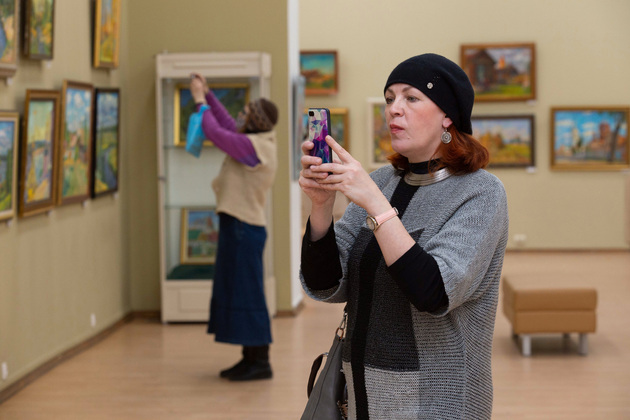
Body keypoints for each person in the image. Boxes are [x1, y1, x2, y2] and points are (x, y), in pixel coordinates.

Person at [299, 54, 509, 419]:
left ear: (448, 117)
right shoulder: (381, 182)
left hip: (435, 400)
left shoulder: (481, 192)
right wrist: (321, 206)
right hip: (361, 396)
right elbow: (327, 284)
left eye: (411, 98)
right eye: (389, 98)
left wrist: (377, 207)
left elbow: (434, 292)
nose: (394, 109)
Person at [189, 73, 278, 381]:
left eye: (245, 113)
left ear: (255, 121)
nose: (240, 115)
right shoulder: (254, 140)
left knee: (248, 295)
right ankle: (248, 357)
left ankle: (261, 362)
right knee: (240, 292)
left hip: (244, 229)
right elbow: (227, 125)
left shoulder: (255, 148)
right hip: (238, 226)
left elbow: (216, 133)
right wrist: (209, 94)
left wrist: (199, 101)